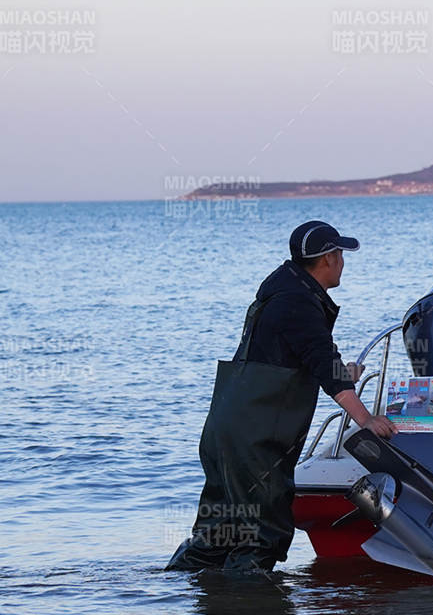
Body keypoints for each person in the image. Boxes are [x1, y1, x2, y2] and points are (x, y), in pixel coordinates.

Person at [167, 220, 398, 575]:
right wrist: (366, 420)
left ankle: (175, 603)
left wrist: (342, 373)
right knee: (261, 537)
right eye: (340, 254)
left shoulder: (281, 293)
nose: (342, 262)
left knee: (217, 535)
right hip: (256, 443)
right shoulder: (300, 303)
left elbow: (303, 358)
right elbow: (326, 372)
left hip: (223, 432)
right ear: (328, 258)